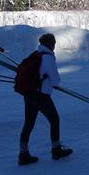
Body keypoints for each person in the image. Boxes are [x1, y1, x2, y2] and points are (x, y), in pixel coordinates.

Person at [18, 33, 73, 166]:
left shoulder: (36, 54)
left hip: (29, 94)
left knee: (28, 124)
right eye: (54, 43)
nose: (54, 46)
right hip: (41, 96)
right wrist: (49, 80)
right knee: (54, 120)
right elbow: (55, 81)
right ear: (50, 44)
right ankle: (56, 150)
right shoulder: (48, 58)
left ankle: (23, 154)